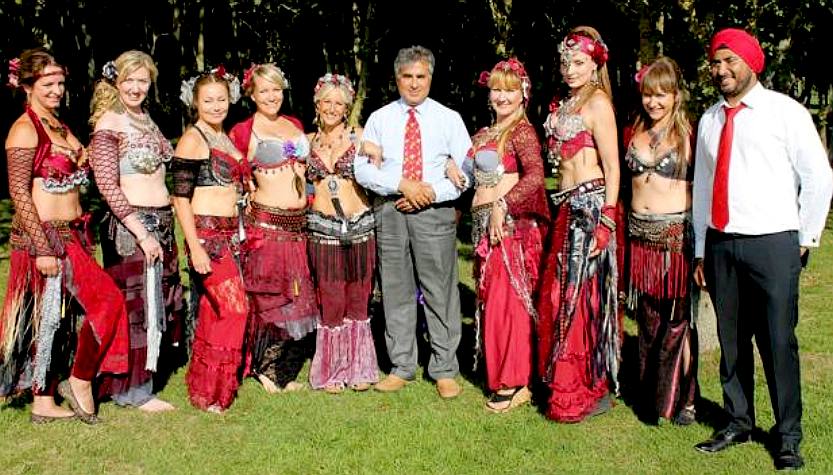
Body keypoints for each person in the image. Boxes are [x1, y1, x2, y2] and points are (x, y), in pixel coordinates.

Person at [692, 28, 833, 470]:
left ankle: (788, 435)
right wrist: (700, 247)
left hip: (773, 242)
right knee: (732, 342)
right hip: (721, 244)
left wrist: (806, 237)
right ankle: (738, 420)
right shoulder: (710, 119)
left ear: (752, 62)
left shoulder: (785, 112)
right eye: (715, 63)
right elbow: (701, 188)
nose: (721, 70)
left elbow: (818, 175)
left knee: (777, 342)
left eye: (730, 61)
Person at [1, 48, 129, 424]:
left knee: (53, 319)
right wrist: (42, 247)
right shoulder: (25, 129)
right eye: (48, 84)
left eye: (60, 83)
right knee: (105, 302)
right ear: (27, 85)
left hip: (73, 235)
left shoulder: (59, 125)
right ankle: (77, 380)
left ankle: (45, 397)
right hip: (46, 238)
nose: (57, 90)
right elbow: (19, 192)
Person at [354, 45, 471, 399]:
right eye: (408, 76)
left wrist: (431, 192)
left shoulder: (449, 119)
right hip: (390, 211)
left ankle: (444, 367)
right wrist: (401, 184)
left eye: (421, 76)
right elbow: (362, 168)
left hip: (433, 212)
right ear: (397, 79)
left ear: (430, 78)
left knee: (440, 289)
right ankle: (402, 365)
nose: (415, 83)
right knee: (396, 289)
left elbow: (467, 170)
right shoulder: (379, 118)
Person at [448, 58, 549, 411]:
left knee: (511, 305)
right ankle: (503, 375)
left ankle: (517, 381)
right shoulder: (486, 133)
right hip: (483, 228)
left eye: (509, 90)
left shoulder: (522, 132)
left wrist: (504, 204)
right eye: (496, 89)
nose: (502, 96)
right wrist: (454, 170)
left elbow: (536, 175)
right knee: (493, 304)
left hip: (510, 230)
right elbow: (469, 177)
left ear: (523, 93)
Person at [88, 50, 184, 412]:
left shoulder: (145, 118)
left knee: (156, 300)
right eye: (129, 79)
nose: (136, 87)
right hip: (132, 226)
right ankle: (130, 389)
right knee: (136, 305)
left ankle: (145, 375)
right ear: (116, 80)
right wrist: (141, 231)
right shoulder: (109, 122)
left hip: (160, 220)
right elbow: (107, 184)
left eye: (143, 80)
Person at [537, 26, 620, 423]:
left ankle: (586, 385)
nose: (570, 69)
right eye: (565, 62)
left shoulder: (598, 103)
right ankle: (565, 379)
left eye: (579, 62)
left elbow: (612, 165)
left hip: (589, 207)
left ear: (595, 64)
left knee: (581, 298)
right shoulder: (564, 103)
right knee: (560, 295)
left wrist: (608, 218)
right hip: (565, 208)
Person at [229, 63, 318, 394]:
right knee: (269, 295)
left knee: (296, 295)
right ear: (251, 93)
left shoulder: (294, 124)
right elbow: (231, 171)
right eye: (264, 90)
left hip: (299, 224)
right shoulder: (243, 130)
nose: (271, 96)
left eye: (276, 89)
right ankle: (263, 367)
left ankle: (284, 366)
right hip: (266, 224)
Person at [171, 67, 250, 413]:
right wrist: (195, 246)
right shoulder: (193, 139)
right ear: (195, 102)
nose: (216, 106)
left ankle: (207, 388)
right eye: (208, 100)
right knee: (235, 308)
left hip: (232, 234)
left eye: (221, 99)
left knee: (213, 309)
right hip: (208, 236)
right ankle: (216, 388)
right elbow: (180, 199)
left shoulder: (226, 137)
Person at [625, 56, 697, 425]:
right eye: (648, 94)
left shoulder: (690, 135)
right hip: (640, 239)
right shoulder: (632, 131)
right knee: (648, 320)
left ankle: (683, 400)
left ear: (675, 96)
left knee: (676, 321)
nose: (654, 102)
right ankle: (650, 392)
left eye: (662, 95)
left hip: (674, 241)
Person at [305, 73, 379, 393]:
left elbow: (388, 169)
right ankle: (333, 369)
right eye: (327, 101)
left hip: (361, 226)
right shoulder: (305, 142)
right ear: (317, 104)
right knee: (332, 297)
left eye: (340, 103)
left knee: (360, 297)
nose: (333, 108)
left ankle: (360, 367)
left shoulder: (362, 137)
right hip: (322, 229)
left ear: (347, 107)